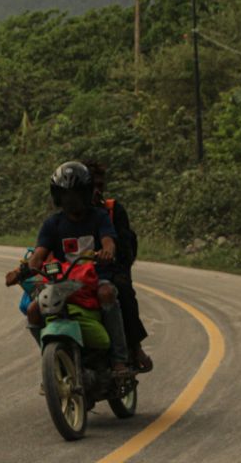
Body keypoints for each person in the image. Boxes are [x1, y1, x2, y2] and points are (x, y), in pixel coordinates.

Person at [5, 161, 131, 378]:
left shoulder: (99, 217)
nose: (70, 200)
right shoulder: (52, 224)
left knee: (107, 293)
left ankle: (119, 359)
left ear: (86, 193)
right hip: (63, 283)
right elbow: (38, 256)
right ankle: (52, 362)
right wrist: (21, 271)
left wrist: (107, 251)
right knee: (34, 310)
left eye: (76, 193)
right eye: (65, 194)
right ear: (57, 196)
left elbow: (109, 240)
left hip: (95, 278)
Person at [84, 160, 153, 373]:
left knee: (122, 290)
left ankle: (134, 347)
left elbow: (125, 248)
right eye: (91, 187)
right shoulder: (67, 216)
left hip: (110, 270)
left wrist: (112, 260)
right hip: (77, 273)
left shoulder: (112, 211)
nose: (96, 191)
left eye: (99, 186)